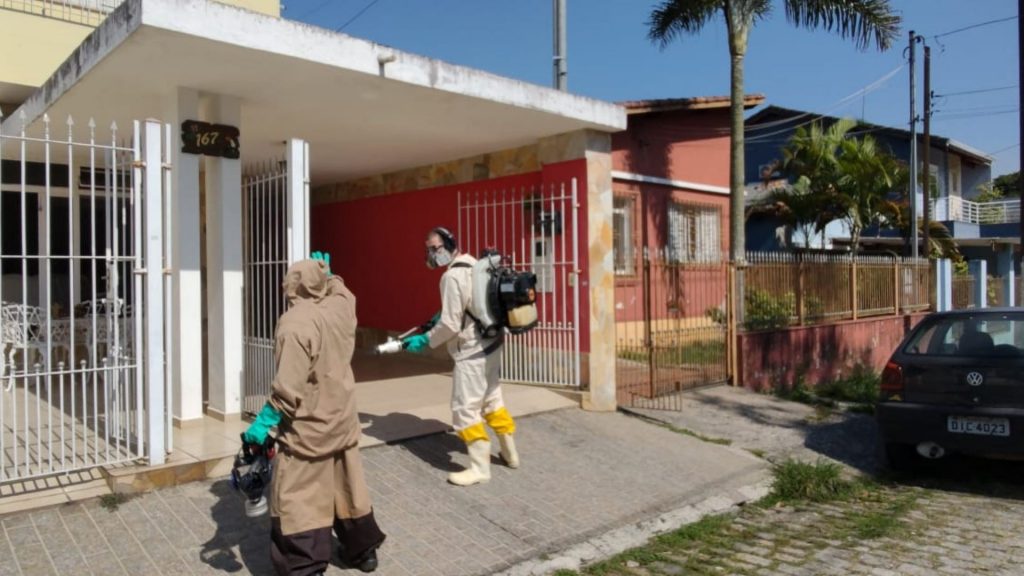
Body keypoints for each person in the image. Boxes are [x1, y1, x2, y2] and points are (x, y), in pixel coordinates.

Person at [243, 256, 385, 575]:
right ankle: (363, 552)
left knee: (297, 499)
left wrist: (264, 422)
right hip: (343, 420)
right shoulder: (340, 307)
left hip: (309, 430)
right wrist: (329, 274)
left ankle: (304, 565)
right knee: (349, 487)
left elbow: (288, 387)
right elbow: (343, 290)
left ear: (292, 286)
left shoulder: (295, 323)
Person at [402, 227, 520, 486]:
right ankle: (510, 454)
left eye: (435, 248)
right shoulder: (476, 265)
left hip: (470, 351)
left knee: (465, 409)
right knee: (492, 399)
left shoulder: (451, 277)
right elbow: (470, 305)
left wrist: (427, 340)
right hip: (492, 343)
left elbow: (451, 325)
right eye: (429, 249)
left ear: (449, 245)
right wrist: (440, 315)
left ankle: (480, 469)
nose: (432, 254)